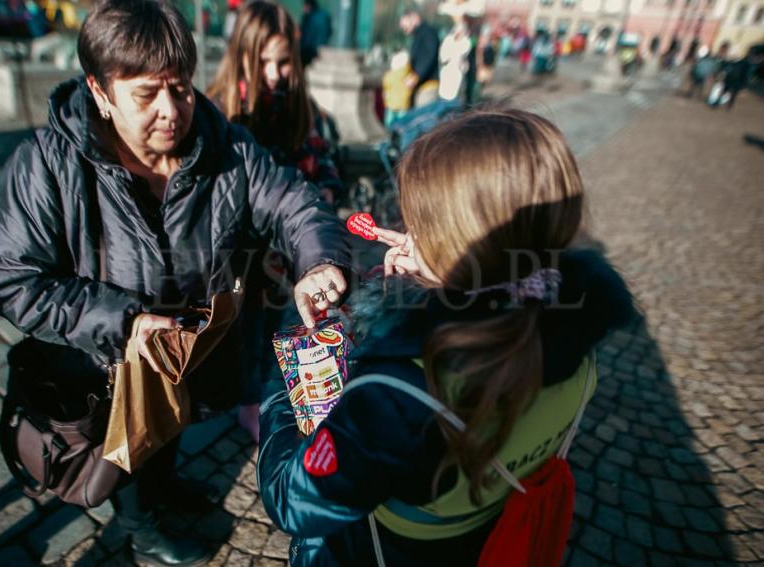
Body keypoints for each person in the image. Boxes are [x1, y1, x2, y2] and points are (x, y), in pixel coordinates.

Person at [0, 0, 351, 565]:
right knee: (130, 444)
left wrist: (318, 261)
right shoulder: (45, 164)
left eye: (181, 88)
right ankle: (138, 524)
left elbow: (294, 201)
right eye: (146, 95)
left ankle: (165, 491)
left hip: (192, 349)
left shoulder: (225, 144)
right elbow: (7, 273)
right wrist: (120, 321)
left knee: (170, 429)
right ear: (99, 92)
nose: (171, 111)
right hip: (105, 365)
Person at [257, 109, 635, 565]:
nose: (409, 237)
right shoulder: (575, 338)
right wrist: (428, 288)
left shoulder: (400, 393)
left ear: (459, 244)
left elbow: (292, 499)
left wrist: (284, 382)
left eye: (421, 226)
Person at [206, 0, 344, 441]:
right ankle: (247, 402)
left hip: (287, 257)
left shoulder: (305, 111)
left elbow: (326, 164)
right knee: (242, 332)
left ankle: (271, 391)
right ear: (240, 55)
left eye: (282, 61)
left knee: (275, 326)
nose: (273, 73)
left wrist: (324, 189)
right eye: (262, 60)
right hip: (238, 259)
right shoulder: (219, 114)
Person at [399, 8, 440, 108]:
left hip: (427, 86)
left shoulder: (427, 33)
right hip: (422, 85)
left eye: (405, 26)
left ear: (414, 17)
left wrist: (416, 76)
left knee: (424, 119)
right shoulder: (420, 34)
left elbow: (429, 55)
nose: (405, 30)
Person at [299, 0, 332, 67]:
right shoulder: (324, 15)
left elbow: (306, 35)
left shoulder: (309, 17)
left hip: (309, 48)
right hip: (316, 47)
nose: (304, 8)